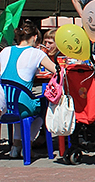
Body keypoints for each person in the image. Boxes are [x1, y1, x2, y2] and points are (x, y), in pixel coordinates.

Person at [0, 20, 56, 159]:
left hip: (3, 103)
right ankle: (27, 145)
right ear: (35, 37)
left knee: (20, 104)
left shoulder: (5, 51)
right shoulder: (36, 53)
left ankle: (16, 145)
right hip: (22, 103)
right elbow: (56, 70)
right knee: (42, 108)